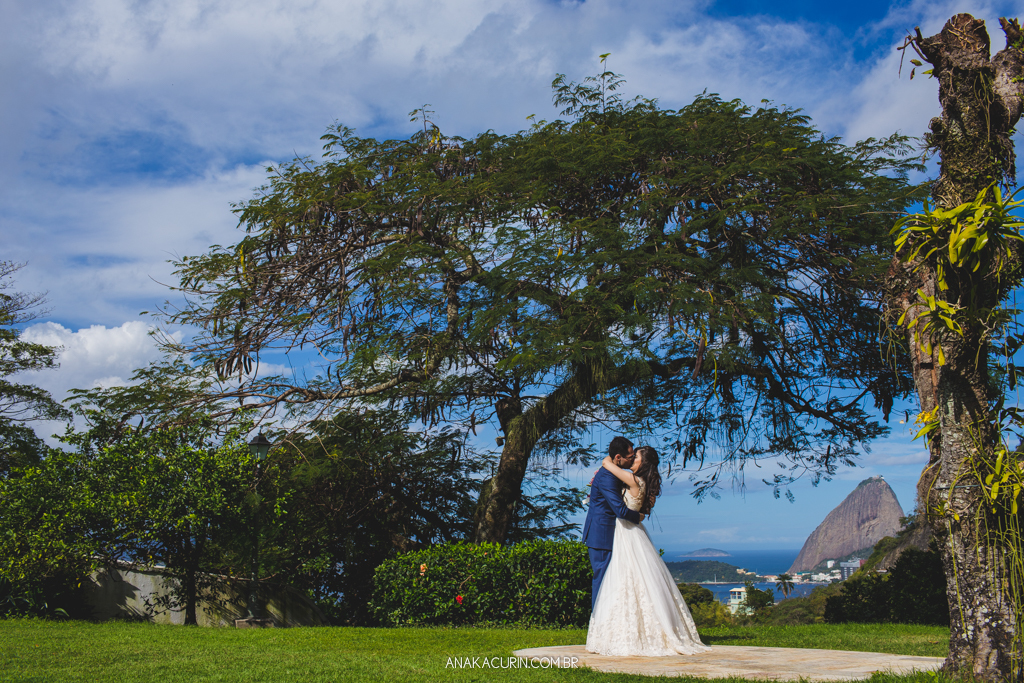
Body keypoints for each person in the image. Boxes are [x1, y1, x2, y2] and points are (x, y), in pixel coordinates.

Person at [586, 445, 709, 656]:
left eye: (636, 458)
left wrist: (609, 461)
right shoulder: (637, 481)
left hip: (627, 533)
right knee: (632, 581)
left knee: (627, 580)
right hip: (629, 533)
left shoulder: (634, 480)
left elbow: (607, 464)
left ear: (643, 464)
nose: (632, 460)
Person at [582, 436, 644, 610]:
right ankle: (598, 623)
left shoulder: (612, 472)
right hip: (601, 534)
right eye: (630, 456)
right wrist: (638, 517)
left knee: (611, 580)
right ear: (618, 457)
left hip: (609, 533)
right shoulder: (608, 477)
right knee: (602, 580)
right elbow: (620, 510)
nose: (631, 459)